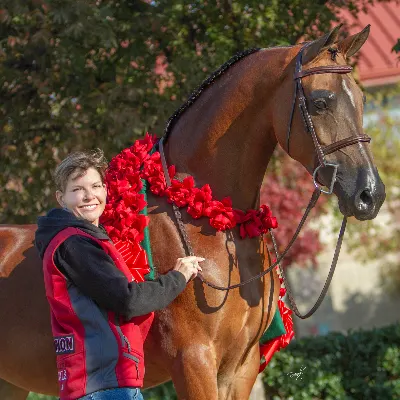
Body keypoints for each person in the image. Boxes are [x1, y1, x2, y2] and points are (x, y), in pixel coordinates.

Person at [35, 149, 204, 400]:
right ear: (61, 198)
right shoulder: (74, 244)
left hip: (109, 381)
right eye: (77, 189)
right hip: (102, 386)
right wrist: (178, 277)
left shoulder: (84, 239)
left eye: (95, 186)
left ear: (105, 190)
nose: (89, 195)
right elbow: (127, 300)